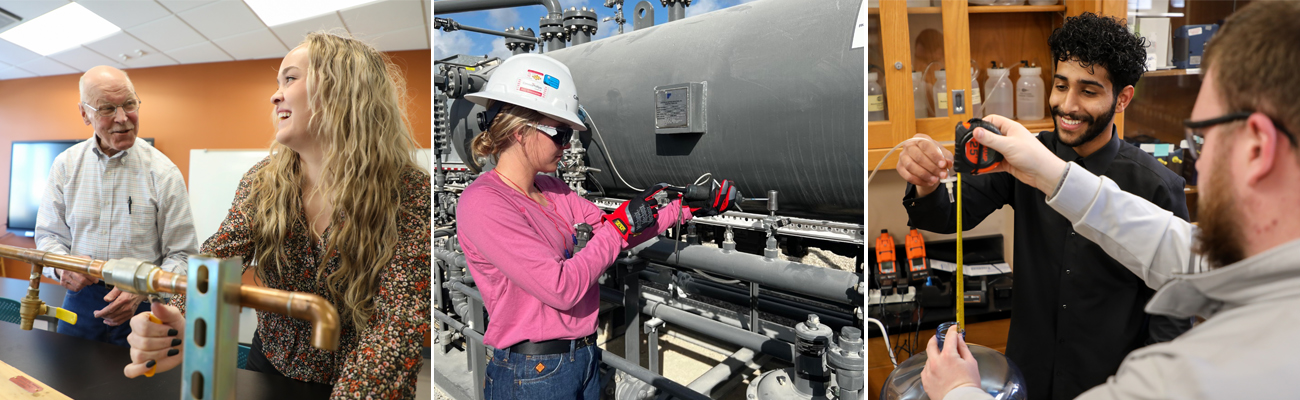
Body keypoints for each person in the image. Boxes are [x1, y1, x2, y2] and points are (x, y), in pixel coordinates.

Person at [921, 3, 1300, 399]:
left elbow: (1171, 287)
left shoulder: (1182, 378)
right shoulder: (1268, 275)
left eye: (1202, 138)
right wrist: (1047, 173)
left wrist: (959, 390)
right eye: (1062, 85)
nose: (1199, 159)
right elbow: (1170, 245)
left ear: (1258, 148)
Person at [896, 12, 1193, 400]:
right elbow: (946, 215)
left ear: (1122, 98)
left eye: (1088, 91)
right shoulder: (1023, 157)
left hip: (1112, 386)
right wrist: (925, 181)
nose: (1067, 105)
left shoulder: (1156, 185)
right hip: (1027, 378)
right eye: (1060, 85)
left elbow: (1173, 314)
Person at [121, 32, 431, 398]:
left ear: (344, 88)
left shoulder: (409, 193)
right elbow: (216, 256)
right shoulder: (263, 180)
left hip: (360, 378)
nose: (275, 94)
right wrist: (177, 321)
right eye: (278, 82)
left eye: (291, 78)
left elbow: (397, 324)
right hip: (269, 365)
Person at [455, 54, 734, 400]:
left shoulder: (553, 190)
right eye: (560, 132)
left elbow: (611, 229)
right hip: (532, 375)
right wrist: (618, 228)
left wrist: (683, 210)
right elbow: (561, 287)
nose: (568, 144)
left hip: (583, 357)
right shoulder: (484, 203)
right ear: (520, 132)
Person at [35, 66, 198, 347]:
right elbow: (48, 237)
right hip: (79, 301)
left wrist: (143, 287)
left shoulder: (164, 173)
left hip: (144, 303)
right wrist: (63, 268)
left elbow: (183, 256)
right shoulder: (65, 166)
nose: (123, 118)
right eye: (107, 108)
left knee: (142, 390)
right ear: (85, 114)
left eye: (130, 104)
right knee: (68, 385)